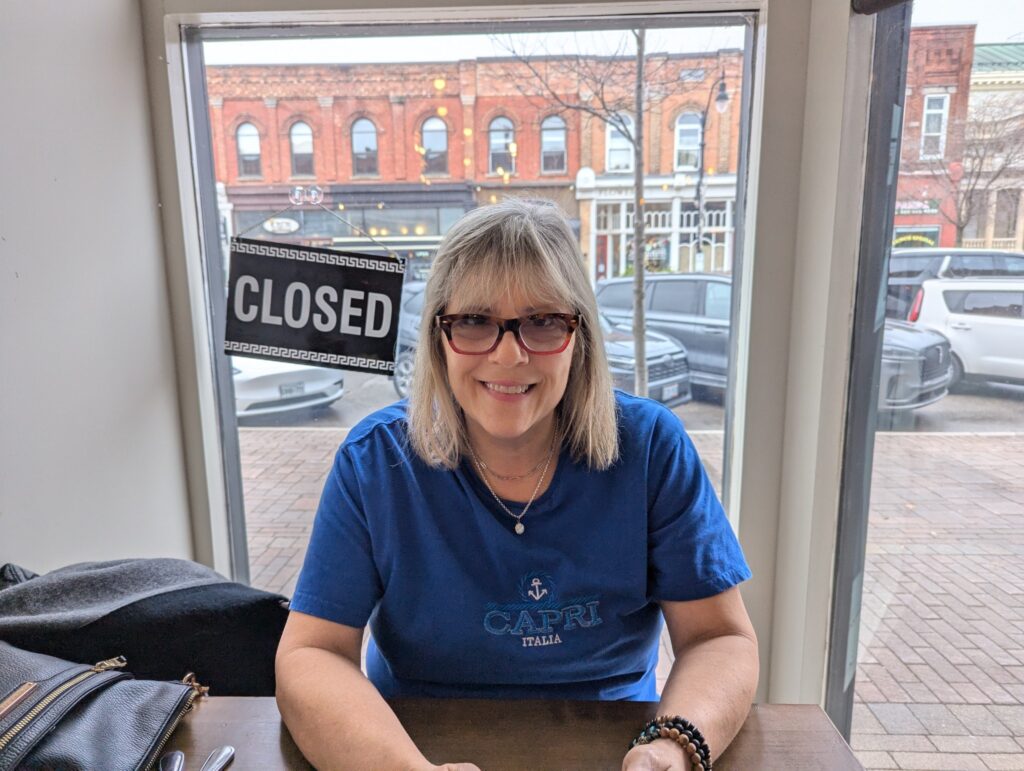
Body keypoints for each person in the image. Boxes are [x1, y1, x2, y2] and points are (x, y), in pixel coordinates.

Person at [275, 199, 758, 771]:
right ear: (438, 338)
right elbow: (313, 653)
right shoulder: (375, 462)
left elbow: (718, 639)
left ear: (579, 336)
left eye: (543, 321)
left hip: (618, 746)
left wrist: (671, 749)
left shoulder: (651, 447)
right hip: (408, 740)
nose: (509, 354)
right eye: (475, 321)